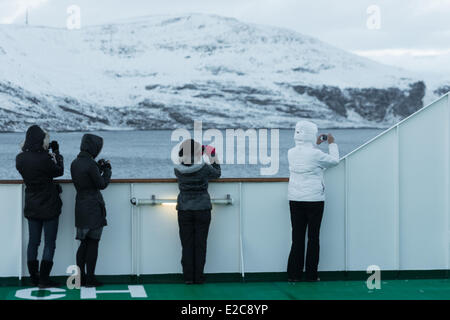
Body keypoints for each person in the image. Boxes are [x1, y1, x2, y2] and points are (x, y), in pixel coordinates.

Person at [287, 120, 339, 282]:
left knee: (297, 237)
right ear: (311, 135)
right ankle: (311, 274)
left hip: (294, 199)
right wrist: (331, 144)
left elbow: (307, 155)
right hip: (314, 200)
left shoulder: (291, 152)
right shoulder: (315, 154)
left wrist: (315, 145)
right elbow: (334, 161)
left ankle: (293, 275)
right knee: (313, 238)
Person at [16, 125, 64, 288]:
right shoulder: (45, 158)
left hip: (31, 205)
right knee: (49, 242)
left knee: (33, 242)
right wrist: (56, 153)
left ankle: (33, 277)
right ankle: (44, 279)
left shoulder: (20, 159)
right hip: (50, 205)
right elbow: (59, 171)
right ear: (41, 140)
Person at [174, 139, 221, 284]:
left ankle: (188, 277)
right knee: (200, 244)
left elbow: (186, 162)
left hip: (184, 209)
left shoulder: (177, 169)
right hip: (202, 209)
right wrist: (213, 156)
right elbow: (217, 173)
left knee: (186, 244)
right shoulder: (204, 168)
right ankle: (198, 276)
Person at [70, 134, 111, 287]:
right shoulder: (90, 164)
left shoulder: (75, 163)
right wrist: (107, 170)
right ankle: (90, 279)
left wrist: (97, 167)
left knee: (83, 244)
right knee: (93, 243)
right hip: (93, 207)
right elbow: (101, 184)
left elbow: (86, 177)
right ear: (94, 147)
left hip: (80, 205)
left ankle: (79, 278)